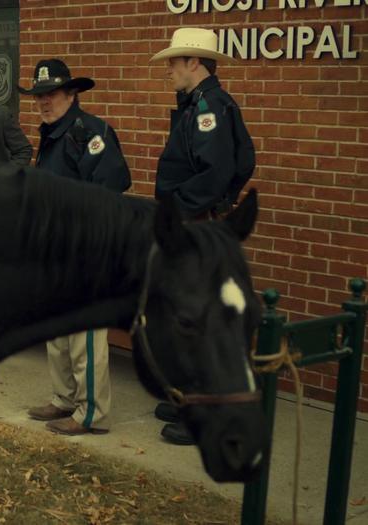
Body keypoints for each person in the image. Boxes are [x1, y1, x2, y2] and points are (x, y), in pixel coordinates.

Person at [149, 27, 256, 445]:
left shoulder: (209, 106)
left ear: (194, 62)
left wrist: (186, 209)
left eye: (174, 63)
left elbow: (214, 172)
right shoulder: (202, 103)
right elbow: (244, 158)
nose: (169, 71)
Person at [21, 58, 131, 436]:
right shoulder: (53, 135)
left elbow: (112, 185)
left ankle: (91, 413)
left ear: (72, 93)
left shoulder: (90, 132)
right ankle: (65, 398)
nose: (43, 102)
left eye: (50, 94)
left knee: (84, 337)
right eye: (38, 96)